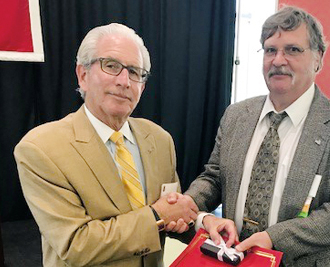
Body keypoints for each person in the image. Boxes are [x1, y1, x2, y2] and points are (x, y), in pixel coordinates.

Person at [184, 6, 330, 266]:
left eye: (292, 50)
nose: (278, 60)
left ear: (319, 58)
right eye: (271, 50)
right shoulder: (237, 115)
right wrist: (188, 203)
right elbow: (215, 177)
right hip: (233, 258)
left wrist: (273, 238)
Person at [14, 23, 198, 267]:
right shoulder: (41, 148)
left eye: (135, 72)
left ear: (142, 85)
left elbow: (172, 212)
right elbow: (76, 244)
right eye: (111, 66)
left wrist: (202, 221)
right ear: (83, 75)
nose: (124, 81)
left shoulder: (160, 139)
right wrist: (157, 216)